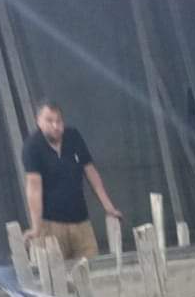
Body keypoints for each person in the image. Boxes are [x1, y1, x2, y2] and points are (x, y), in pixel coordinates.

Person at [22, 100, 121, 260]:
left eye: (59, 121)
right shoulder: (32, 147)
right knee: (54, 270)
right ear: (38, 121)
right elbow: (34, 189)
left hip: (81, 222)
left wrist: (108, 207)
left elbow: (91, 172)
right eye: (49, 121)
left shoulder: (73, 137)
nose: (55, 126)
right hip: (51, 224)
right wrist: (36, 227)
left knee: (92, 267)